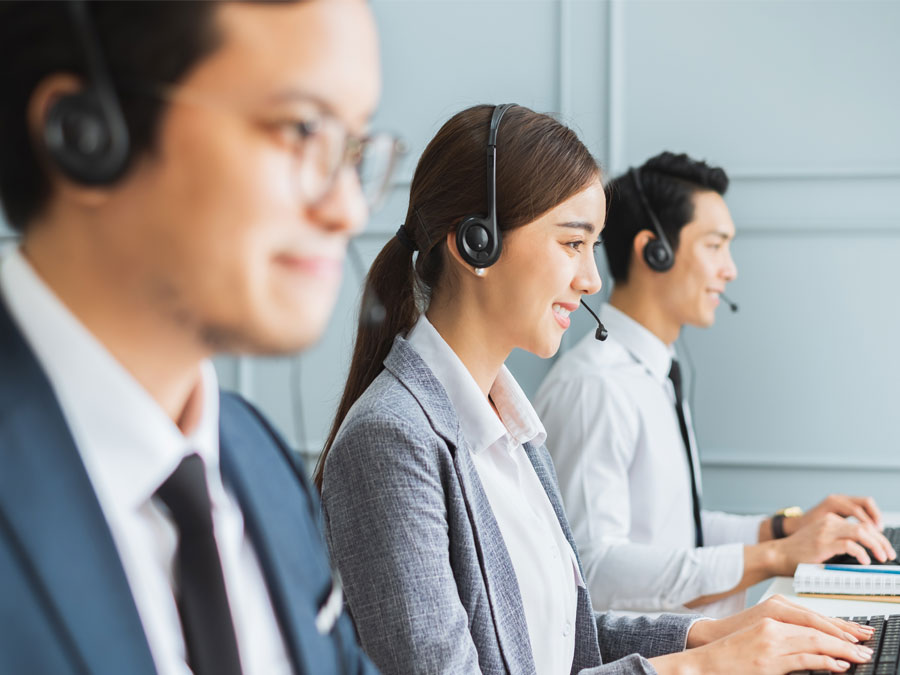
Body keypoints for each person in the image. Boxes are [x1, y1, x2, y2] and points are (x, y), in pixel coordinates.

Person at [316, 105, 875, 675]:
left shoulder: (513, 428)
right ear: (475, 243)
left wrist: (709, 634)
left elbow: (561, 639)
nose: (592, 280)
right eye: (571, 244)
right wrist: (702, 667)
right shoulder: (390, 441)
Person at [0, 1, 400, 673]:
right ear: (87, 133)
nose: (349, 208)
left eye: (354, 145)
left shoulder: (259, 463)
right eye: (302, 129)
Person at [534, 151, 893, 619]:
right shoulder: (595, 388)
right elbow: (593, 571)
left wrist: (784, 529)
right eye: (715, 245)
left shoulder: (654, 373)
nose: (730, 269)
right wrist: (774, 557)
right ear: (654, 252)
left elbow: (671, 531)